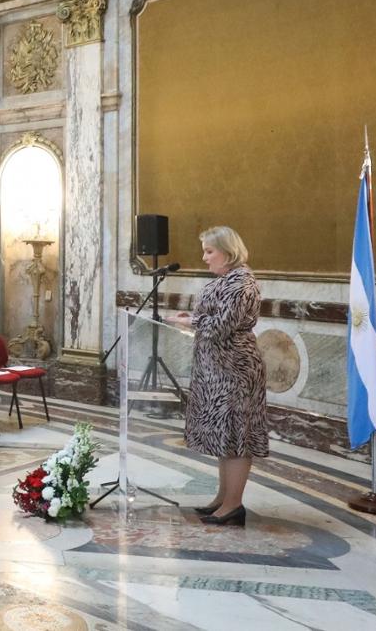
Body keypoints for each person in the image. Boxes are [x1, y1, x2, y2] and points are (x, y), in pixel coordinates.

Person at [166, 225, 266, 527]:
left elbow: (221, 325)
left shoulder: (241, 283)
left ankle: (234, 505)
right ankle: (223, 498)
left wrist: (189, 321)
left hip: (235, 370)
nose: (204, 257)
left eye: (210, 251)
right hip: (218, 369)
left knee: (236, 437)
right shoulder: (226, 280)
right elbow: (214, 318)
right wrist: (191, 320)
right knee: (225, 436)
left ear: (228, 251)